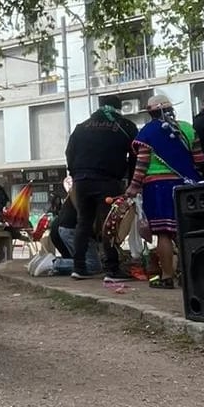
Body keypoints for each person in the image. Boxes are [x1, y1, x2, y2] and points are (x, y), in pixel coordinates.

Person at [125, 94, 204, 289]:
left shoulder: (148, 132)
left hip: (158, 187)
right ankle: (191, 277)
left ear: (151, 112)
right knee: (185, 232)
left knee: (164, 234)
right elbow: (199, 160)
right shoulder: (187, 128)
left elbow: (141, 163)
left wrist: (134, 186)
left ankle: (167, 276)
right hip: (187, 184)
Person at [64, 94, 139, 282]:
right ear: (119, 107)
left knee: (83, 222)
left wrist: (75, 174)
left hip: (81, 181)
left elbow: (69, 152)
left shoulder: (81, 127)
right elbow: (135, 156)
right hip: (107, 181)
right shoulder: (125, 126)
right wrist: (132, 182)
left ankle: (78, 267)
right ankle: (112, 269)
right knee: (109, 224)